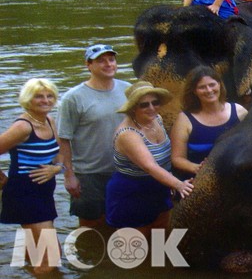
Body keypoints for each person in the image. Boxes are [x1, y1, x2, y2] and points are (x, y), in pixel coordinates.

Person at [106, 81, 194, 238]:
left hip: (159, 186)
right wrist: (178, 184)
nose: (152, 108)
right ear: (133, 108)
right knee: (136, 247)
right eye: (144, 105)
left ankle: (157, 263)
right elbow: (150, 166)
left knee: (160, 237)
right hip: (133, 193)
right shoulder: (128, 134)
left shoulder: (157, 119)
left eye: (155, 102)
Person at [57, 44, 130, 228]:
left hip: (123, 169)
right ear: (88, 65)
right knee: (91, 227)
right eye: (101, 61)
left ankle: (111, 258)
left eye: (111, 59)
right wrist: (69, 175)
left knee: (122, 223)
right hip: (89, 174)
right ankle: (89, 257)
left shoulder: (128, 90)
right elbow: (63, 139)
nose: (108, 64)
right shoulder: (73, 97)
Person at [0, 79, 64, 274]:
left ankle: (27, 272)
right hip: (24, 193)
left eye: (49, 96)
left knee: (36, 250)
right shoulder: (23, 126)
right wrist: (1, 177)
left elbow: (60, 150)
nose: (45, 100)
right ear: (28, 99)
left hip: (44, 192)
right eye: (39, 96)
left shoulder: (49, 120)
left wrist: (57, 168)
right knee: (51, 256)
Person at [170, 66, 247, 180]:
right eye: (202, 87)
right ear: (194, 91)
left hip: (236, 174)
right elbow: (177, 158)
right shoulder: (184, 120)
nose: (209, 90)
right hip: (201, 179)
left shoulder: (239, 112)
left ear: (219, 85)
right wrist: (198, 168)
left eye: (212, 85)